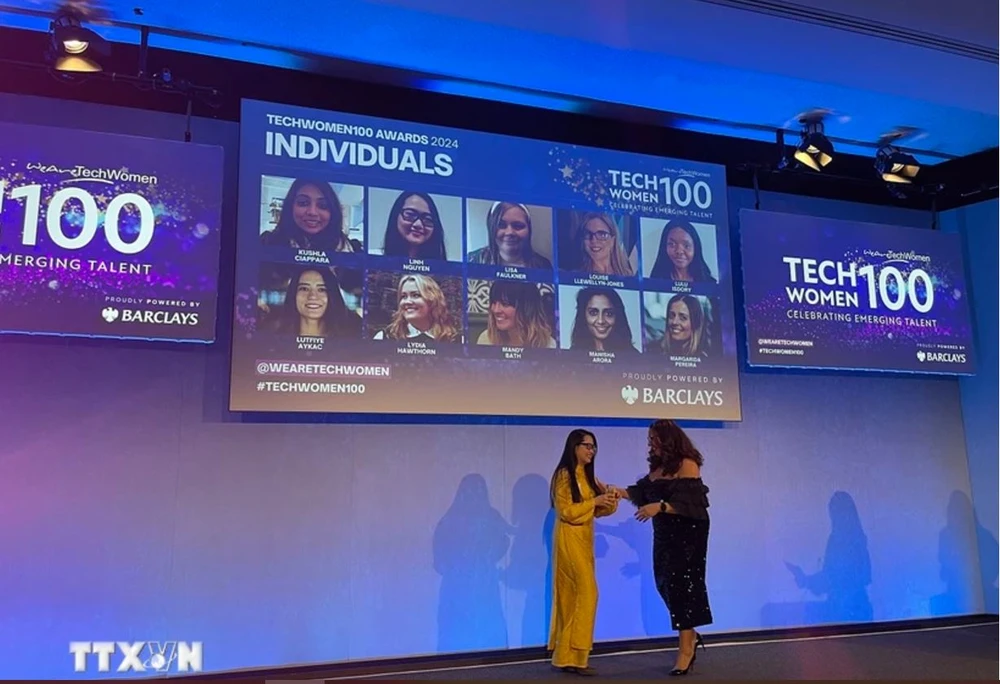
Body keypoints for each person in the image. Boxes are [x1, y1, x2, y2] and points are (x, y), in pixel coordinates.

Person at [609, 419, 712, 676]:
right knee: (664, 583)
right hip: (665, 533)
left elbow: (692, 504)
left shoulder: (688, 464)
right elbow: (643, 493)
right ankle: (690, 634)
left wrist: (662, 507)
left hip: (688, 533)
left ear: (668, 439)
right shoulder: (658, 467)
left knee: (683, 588)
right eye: (649, 440)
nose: (650, 444)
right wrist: (617, 492)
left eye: (654, 439)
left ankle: (685, 650)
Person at [548, 429, 619, 676]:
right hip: (568, 539)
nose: (591, 450)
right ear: (574, 447)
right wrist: (594, 503)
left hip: (584, 540)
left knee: (578, 596)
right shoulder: (564, 476)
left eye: (593, 446)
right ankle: (575, 655)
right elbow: (566, 512)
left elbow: (598, 511)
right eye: (587, 445)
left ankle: (571, 657)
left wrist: (609, 499)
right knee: (586, 592)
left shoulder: (587, 477)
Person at [649, 220, 716, 283]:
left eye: (686, 246)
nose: (679, 251)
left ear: (696, 248)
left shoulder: (709, 283)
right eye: (672, 244)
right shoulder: (656, 281)